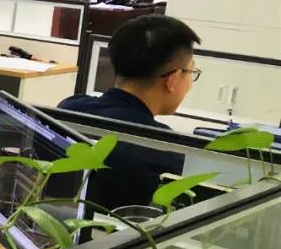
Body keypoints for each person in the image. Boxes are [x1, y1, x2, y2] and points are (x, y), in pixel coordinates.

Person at [58, 14, 201, 209]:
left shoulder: (69, 109)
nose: (190, 83)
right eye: (191, 72)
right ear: (172, 79)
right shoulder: (165, 149)